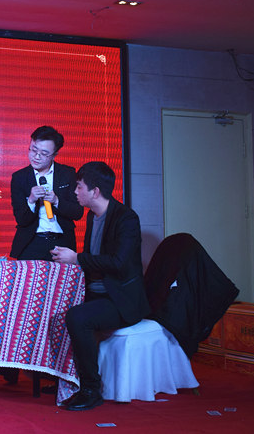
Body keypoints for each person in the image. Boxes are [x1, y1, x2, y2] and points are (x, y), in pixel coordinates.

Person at [51, 161, 150, 411]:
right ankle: (67, 380)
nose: (75, 192)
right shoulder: (92, 216)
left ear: (95, 192)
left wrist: (77, 258)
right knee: (54, 310)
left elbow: (117, 263)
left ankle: (90, 389)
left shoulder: (126, 218)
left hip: (120, 300)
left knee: (78, 317)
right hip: (95, 294)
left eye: (79, 187)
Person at [10, 126, 83, 261]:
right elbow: (21, 219)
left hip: (62, 242)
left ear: (54, 155)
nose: (36, 156)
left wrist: (57, 201)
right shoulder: (19, 178)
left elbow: (78, 212)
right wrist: (31, 201)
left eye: (44, 153)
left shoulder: (68, 174)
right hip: (31, 242)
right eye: (33, 150)